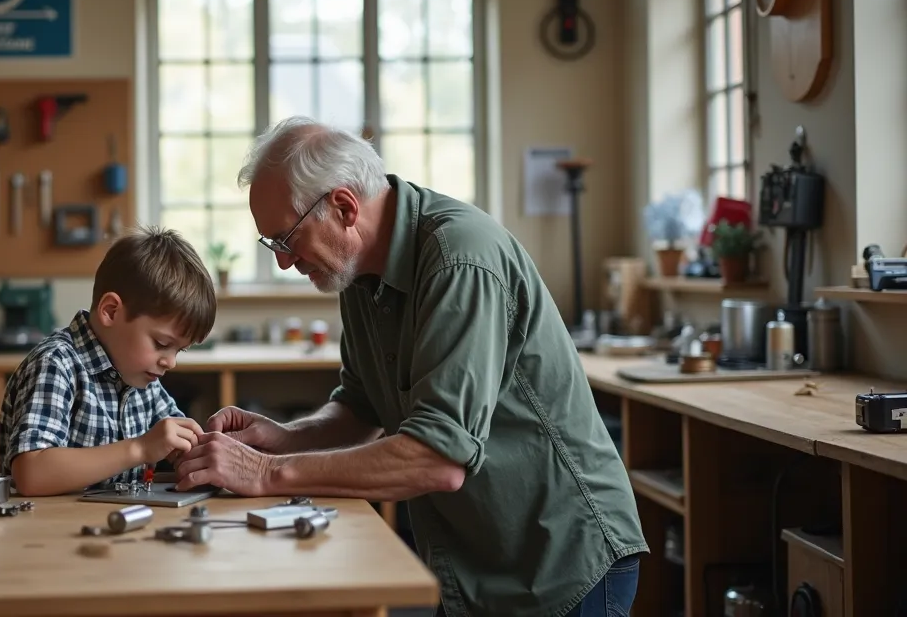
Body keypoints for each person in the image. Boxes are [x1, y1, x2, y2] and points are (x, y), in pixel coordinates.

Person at [173, 116, 649, 616]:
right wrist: (284, 438)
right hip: (479, 566)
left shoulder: (460, 260)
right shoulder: (357, 271)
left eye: (287, 239)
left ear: (344, 207)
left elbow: (437, 458)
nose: (284, 263)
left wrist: (267, 472)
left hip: (562, 560)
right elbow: (360, 409)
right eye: (273, 245)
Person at [0, 225, 217, 496]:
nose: (170, 362)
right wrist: (140, 448)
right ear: (111, 311)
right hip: (49, 523)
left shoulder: (140, 377)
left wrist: (200, 453)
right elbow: (31, 474)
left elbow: (174, 442)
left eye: (179, 350)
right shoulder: (56, 364)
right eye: (161, 344)